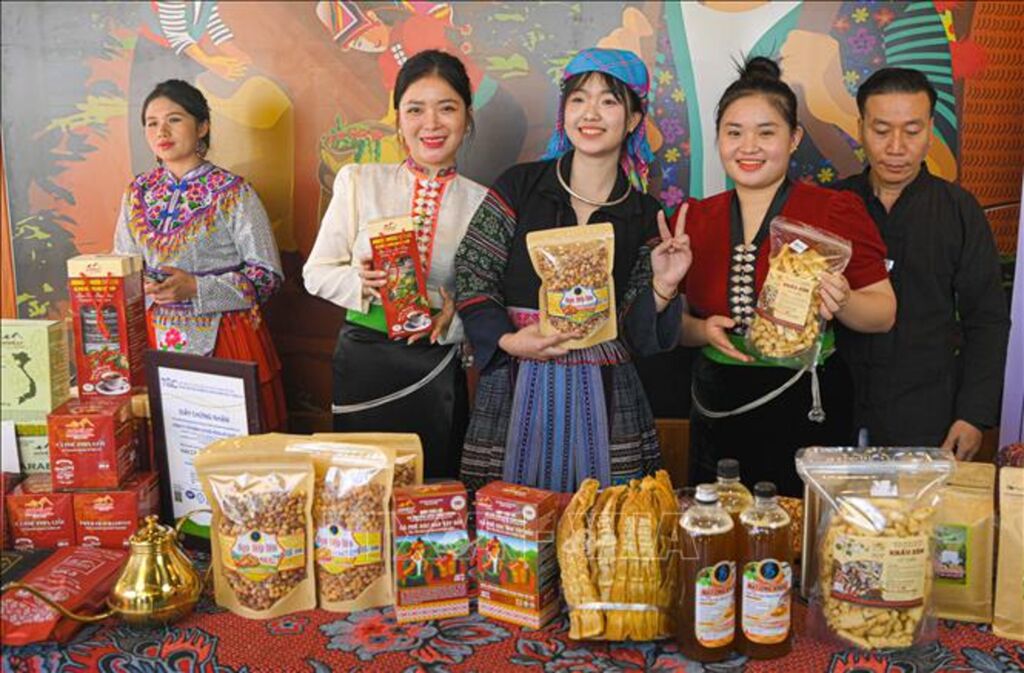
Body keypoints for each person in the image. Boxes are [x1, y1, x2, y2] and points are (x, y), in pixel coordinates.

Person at [455, 47, 691, 494]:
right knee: (507, 522)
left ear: (634, 118)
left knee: (607, 521)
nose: (590, 113)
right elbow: (473, 270)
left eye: (609, 101)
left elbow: (637, 331)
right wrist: (507, 339)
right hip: (515, 379)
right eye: (579, 99)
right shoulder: (520, 186)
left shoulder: (644, 214)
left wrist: (663, 285)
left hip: (606, 392)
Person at [673, 58, 896, 496]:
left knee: (801, 526)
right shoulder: (692, 218)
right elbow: (671, 326)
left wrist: (844, 301)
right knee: (718, 527)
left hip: (806, 404)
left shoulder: (832, 211)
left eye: (766, 133)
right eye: (734, 133)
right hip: (718, 405)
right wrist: (700, 330)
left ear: (794, 138)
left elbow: (883, 313)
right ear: (718, 139)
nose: (749, 147)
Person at [303, 50, 487, 479]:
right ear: (399, 119)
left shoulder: (484, 204)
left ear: (467, 117)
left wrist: (455, 320)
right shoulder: (359, 181)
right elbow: (316, 273)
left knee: (432, 488)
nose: (431, 123)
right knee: (360, 487)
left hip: (435, 365)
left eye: (447, 108)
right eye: (415, 109)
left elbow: (489, 301)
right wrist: (361, 281)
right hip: (363, 359)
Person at [834, 67, 1010, 460]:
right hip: (835, 408)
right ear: (860, 128)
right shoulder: (832, 206)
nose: (896, 147)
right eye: (881, 130)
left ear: (931, 130)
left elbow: (987, 321)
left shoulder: (959, 211)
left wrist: (973, 415)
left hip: (927, 415)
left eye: (912, 131)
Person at [114, 79, 287, 431]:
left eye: (174, 119)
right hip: (154, 337)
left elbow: (267, 276)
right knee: (167, 442)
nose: (161, 131)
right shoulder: (137, 193)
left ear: (203, 126)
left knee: (230, 446)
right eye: (151, 123)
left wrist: (196, 288)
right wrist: (139, 284)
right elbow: (123, 265)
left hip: (226, 336)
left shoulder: (234, 192)